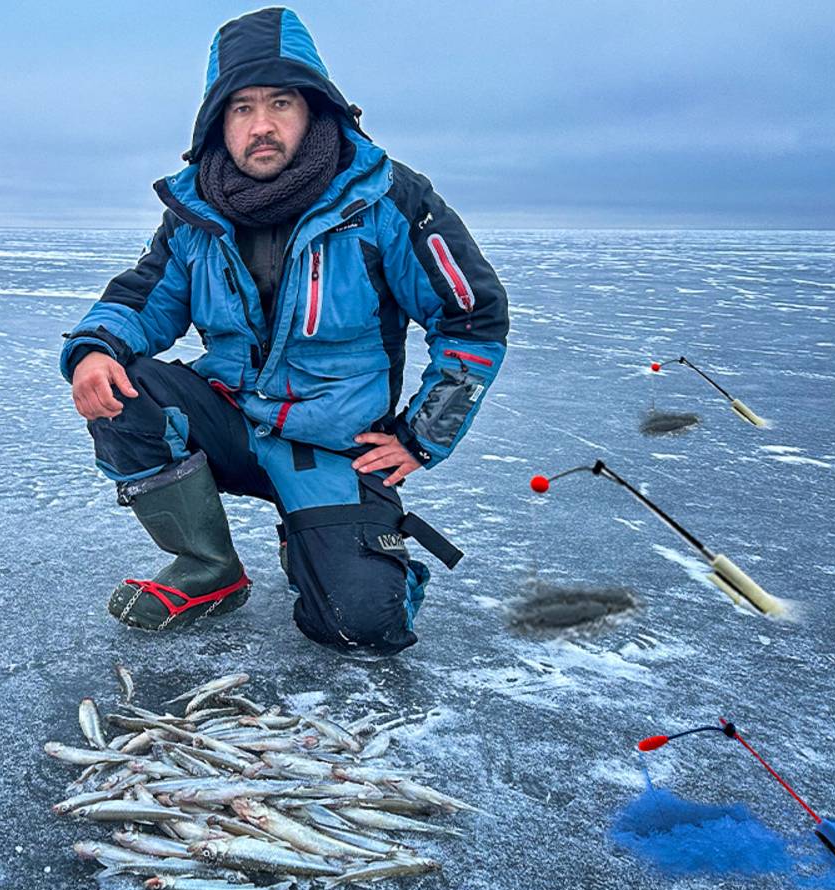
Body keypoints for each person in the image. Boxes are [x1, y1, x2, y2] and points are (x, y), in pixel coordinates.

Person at [60, 7, 509, 657]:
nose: (261, 124)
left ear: (318, 109)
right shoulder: (196, 214)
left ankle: (325, 541)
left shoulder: (387, 199)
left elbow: (472, 319)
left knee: (363, 626)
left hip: (334, 446)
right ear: (218, 121)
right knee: (121, 383)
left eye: (280, 102)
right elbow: (143, 299)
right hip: (233, 421)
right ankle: (209, 571)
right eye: (241, 107)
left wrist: (419, 436)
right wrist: (94, 351)